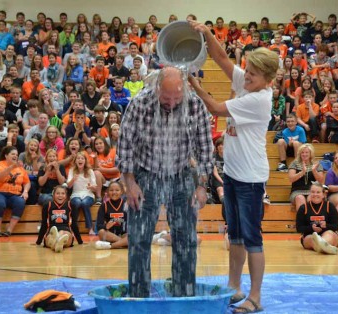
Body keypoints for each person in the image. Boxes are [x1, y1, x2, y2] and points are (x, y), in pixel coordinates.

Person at [188, 20, 280, 312]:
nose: (246, 76)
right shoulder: (250, 83)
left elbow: (215, 108)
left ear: (267, 79)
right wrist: (206, 32)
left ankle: (255, 297)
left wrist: (196, 85)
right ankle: (234, 286)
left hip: (250, 178)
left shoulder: (259, 99)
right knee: (236, 234)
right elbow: (221, 58)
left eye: (252, 74)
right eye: (247, 71)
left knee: (252, 238)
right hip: (232, 173)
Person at [118, 65, 212, 297]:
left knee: (186, 239)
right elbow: (125, 145)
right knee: (139, 239)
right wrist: (130, 183)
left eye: (176, 98)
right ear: (157, 87)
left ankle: (184, 293)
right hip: (145, 174)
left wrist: (201, 185)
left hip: (181, 174)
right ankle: (138, 295)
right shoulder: (140, 102)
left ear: (185, 91)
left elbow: (205, 149)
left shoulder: (195, 105)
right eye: (166, 98)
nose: (171, 104)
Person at [0, 146, 31, 237]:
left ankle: (9, 230)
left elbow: (27, 182)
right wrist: (11, 167)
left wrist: (25, 191)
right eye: (13, 154)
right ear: (6, 155)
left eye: (16, 154)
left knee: (20, 202)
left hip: (14, 195)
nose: (15, 156)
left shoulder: (21, 168)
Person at [36, 185, 83, 253]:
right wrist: (38, 241)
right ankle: (57, 243)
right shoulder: (47, 205)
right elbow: (44, 224)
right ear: (53, 195)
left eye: (63, 193)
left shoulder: (71, 205)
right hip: (51, 231)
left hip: (66, 230)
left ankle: (57, 241)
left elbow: (74, 224)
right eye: (57, 193)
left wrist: (80, 241)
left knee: (64, 234)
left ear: (66, 195)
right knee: (50, 238)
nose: (60, 195)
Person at [296, 182, 338, 255]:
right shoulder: (303, 208)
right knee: (312, 238)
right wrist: (311, 228)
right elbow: (299, 228)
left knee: (330, 234)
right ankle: (324, 247)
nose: (315, 194)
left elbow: (336, 226)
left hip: (326, 233)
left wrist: (326, 226)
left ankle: (322, 244)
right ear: (310, 193)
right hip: (310, 235)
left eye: (318, 192)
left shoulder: (330, 206)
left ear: (323, 194)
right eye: (313, 192)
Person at [66, 152, 98, 235]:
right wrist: (73, 179)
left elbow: (95, 187)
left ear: (85, 161)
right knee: (76, 203)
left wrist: (91, 187)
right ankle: (73, 228)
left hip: (88, 194)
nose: (80, 160)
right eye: (78, 158)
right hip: (76, 194)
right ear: (75, 161)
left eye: (82, 158)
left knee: (84, 203)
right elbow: (68, 186)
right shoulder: (72, 170)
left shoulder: (90, 171)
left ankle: (90, 228)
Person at [288, 144, 324, 212]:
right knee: (300, 198)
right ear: (300, 154)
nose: (304, 154)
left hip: (313, 191)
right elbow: (291, 179)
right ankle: (301, 222)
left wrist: (314, 171)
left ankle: (313, 221)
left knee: (312, 198)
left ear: (310, 154)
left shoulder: (316, 164)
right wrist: (302, 172)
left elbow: (320, 181)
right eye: (302, 152)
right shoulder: (294, 163)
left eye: (306, 152)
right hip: (297, 191)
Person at [95, 181, 128, 250]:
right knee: (101, 232)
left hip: (124, 234)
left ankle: (111, 246)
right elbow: (99, 225)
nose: (114, 192)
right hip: (110, 235)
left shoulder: (126, 205)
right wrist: (106, 226)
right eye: (111, 190)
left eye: (117, 190)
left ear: (121, 192)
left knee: (132, 236)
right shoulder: (104, 206)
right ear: (107, 192)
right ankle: (124, 243)